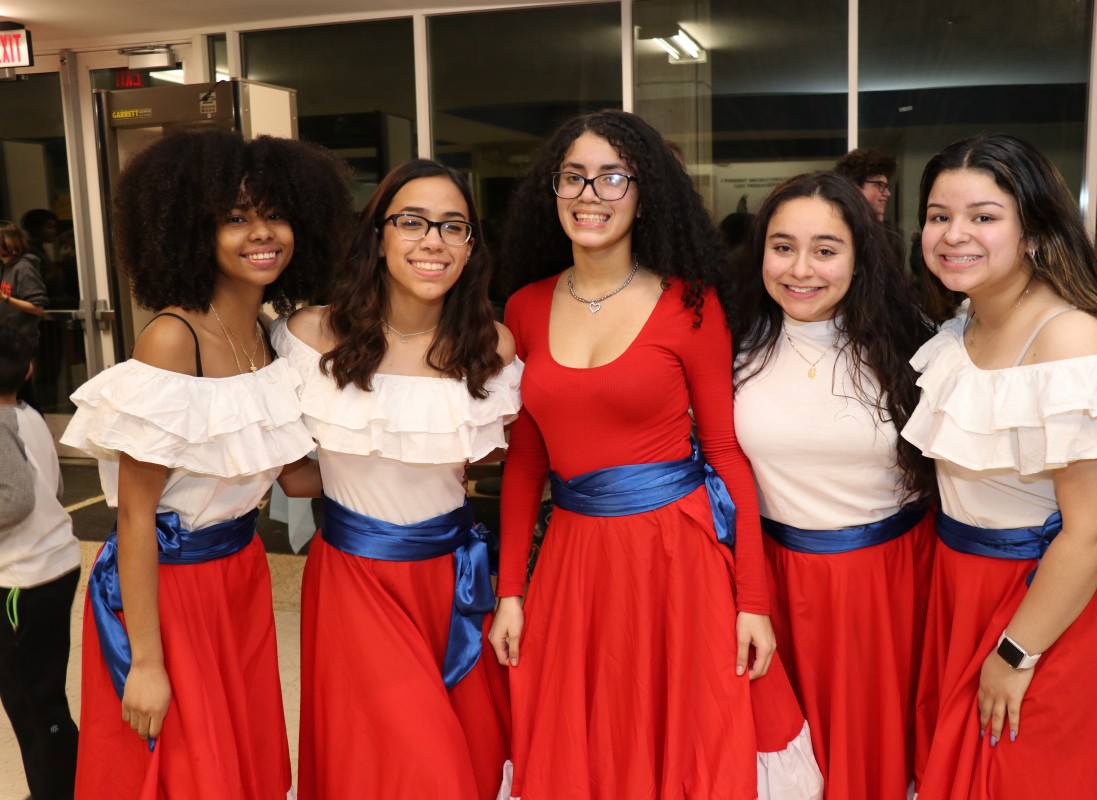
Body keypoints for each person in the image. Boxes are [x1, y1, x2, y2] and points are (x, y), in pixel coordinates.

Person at [489, 109, 821, 799]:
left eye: (613, 178)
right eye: (574, 177)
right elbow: (524, 464)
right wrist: (510, 591)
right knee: (587, 742)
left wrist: (751, 602)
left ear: (644, 196)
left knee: (684, 740)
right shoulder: (523, 307)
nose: (590, 194)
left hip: (678, 559)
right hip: (573, 562)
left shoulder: (689, 305)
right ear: (552, 191)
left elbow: (727, 454)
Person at [62, 128, 352, 799]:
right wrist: (147, 663)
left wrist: (421, 464)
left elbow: (295, 478)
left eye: (275, 213)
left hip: (240, 579)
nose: (262, 233)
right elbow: (133, 518)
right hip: (168, 591)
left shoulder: (271, 338)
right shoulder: (173, 339)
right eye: (235, 218)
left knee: (239, 767)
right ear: (193, 231)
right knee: (185, 774)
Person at [902, 132, 1097, 799]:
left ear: (1032, 231)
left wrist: (1014, 654)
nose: (954, 234)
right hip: (970, 591)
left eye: (983, 216)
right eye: (940, 216)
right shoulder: (966, 321)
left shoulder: (1070, 334)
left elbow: (1092, 533)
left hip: (1054, 606)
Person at [274, 159, 520, 799]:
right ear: (377, 234)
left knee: (465, 757)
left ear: (471, 246)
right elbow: (293, 476)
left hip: (453, 580)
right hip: (355, 581)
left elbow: (495, 458)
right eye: (411, 222)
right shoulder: (309, 336)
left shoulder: (493, 347)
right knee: (412, 766)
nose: (432, 241)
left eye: (453, 226)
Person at [730, 170, 937, 800]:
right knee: (782, 763)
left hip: (888, 586)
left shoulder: (915, 345)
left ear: (859, 256)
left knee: (872, 759)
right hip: (767, 583)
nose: (801, 269)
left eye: (825, 249)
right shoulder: (732, 343)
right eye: (783, 246)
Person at [0, 319, 81, 799]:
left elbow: (15, 502)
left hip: (21, 580)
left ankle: (55, 791)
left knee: (31, 703)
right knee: (43, 697)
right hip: (53, 567)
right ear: (29, 371)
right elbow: (53, 488)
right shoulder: (30, 414)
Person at [0, 220, 47, 411]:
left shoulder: (24, 268)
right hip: (9, 341)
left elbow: (37, 307)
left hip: (22, 342)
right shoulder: (6, 267)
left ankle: (35, 436)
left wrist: (6, 299)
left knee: (24, 398)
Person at [834, 148, 895, 223]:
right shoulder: (837, 227)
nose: (888, 193)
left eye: (886, 186)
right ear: (855, 186)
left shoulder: (883, 231)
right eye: (879, 185)